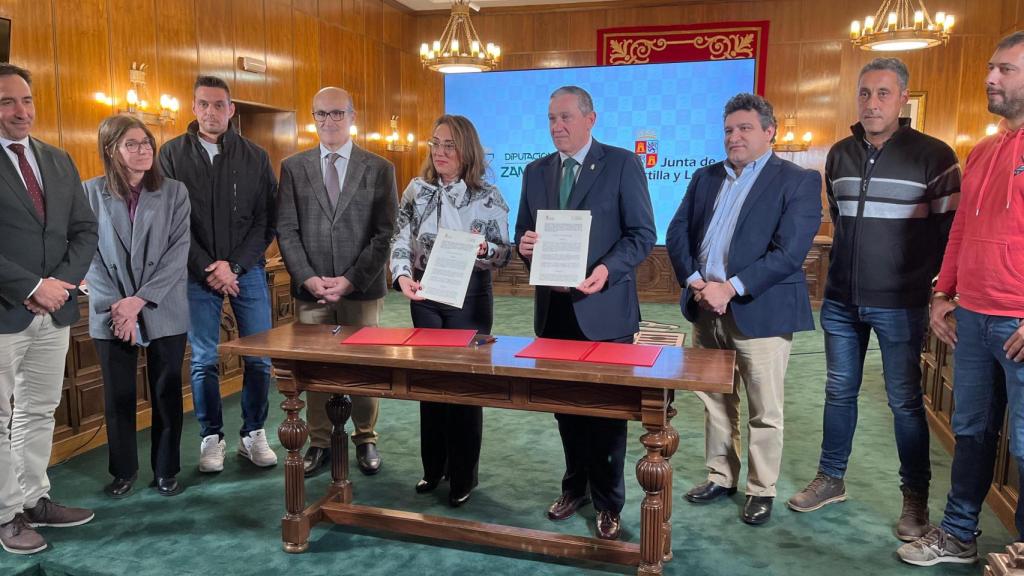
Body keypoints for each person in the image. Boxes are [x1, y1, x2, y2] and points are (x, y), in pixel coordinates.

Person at [787, 58, 960, 542]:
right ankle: (831, 478)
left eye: (883, 93)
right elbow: (840, 222)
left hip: (902, 302)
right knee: (838, 390)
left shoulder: (935, 156)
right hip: (841, 299)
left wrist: (937, 291)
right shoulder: (840, 155)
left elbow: (950, 233)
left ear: (903, 98)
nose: (872, 103)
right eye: (864, 93)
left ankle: (915, 498)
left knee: (904, 401)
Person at [897, 30, 1024, 566]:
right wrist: (942, 292)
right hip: (972, 316)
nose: (990, 78)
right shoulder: (984, 151)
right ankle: (958, 534)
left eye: (1006, 70)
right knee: (970, 431)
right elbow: (961, 233)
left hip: (1018, 322)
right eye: (991, 67)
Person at [666, 93, 821, 526]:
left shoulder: (797, 181)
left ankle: (760, 489)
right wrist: (697, 282)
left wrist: (730, 288)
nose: (734, 137)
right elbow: (677, 232)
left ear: (770, 132)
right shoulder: (705, 177)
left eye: (745, 128)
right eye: (729, 130)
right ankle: (721, 476)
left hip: (760, 310)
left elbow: (790, 252)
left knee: (764, 409)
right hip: (705, 306)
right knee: (716, 399)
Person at [515, 85, 656, 540]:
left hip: (606, 312)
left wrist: (606, 271)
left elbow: (641, 234)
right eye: (551, 118)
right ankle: (574, 488)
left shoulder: (622, 163)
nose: (557, 126)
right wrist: (525, 247)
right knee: (566, 411)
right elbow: (523, 234)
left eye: (566, 117)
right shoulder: (535, 171)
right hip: (554, 314)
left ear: (590, 119)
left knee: (607, 415)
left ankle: (609, 503)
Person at [0, 63, 98, 555]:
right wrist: (32, 286)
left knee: (39, 411)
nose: (21, 111)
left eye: (26, 100)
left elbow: (85, 229)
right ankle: (5, 515)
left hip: (53, 311)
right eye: (6, 102)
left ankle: (34, 499)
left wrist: (57, 286)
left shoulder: (57, 159)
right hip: (5, 311)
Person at [390, 114, 511, 507]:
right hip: (426, 293)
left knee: (462, 386)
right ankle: (433, 468)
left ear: (466, 151)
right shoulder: (416, 190)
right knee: (429, 384)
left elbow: (504, 253)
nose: (440, 152)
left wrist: (486, 249)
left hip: (471, 297)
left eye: (449, 146)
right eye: (435, 144)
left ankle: (462, 475)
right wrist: (401, 275)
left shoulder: (488, 195)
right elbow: (399, 239)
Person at [159, 75, 278, 473]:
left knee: (259, 357)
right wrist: (209, 267)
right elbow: (172, 221)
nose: (211, 112)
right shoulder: (171, 155)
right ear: (194, 108)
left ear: (231, 109)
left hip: (248, 271)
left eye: (219, 104)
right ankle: (212, 437)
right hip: (197, 274)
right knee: (204, 360)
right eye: (204, 104)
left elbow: (266, 219)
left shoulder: (255, 156)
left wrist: (235, 266)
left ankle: (253, 433)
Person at [277, 87, 395, 477]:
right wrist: (308, 277)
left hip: (361, 289)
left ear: (352, 116)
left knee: (363, 366)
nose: (328, 121)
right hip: (311, 291)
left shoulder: (378, 167)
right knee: (315, 368)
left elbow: (384, 233)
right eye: (321, 114)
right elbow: (287, 229)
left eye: (337, 113)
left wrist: (350, 280)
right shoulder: (293, 167)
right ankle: (319, 441)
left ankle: (366, 437)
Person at [83, 114, 191, 499]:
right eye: (132, 144)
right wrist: (120, 306)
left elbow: (178, 253)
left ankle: (166, 469)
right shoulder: (89, 193)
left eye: (147, 143)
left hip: (162, 305)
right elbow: (87, 255)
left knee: (166, 392)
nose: (143, 150)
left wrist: (138, 301)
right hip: (110, 310)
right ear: (110, 149)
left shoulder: (174, 192)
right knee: (119, 396)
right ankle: (123, 470)